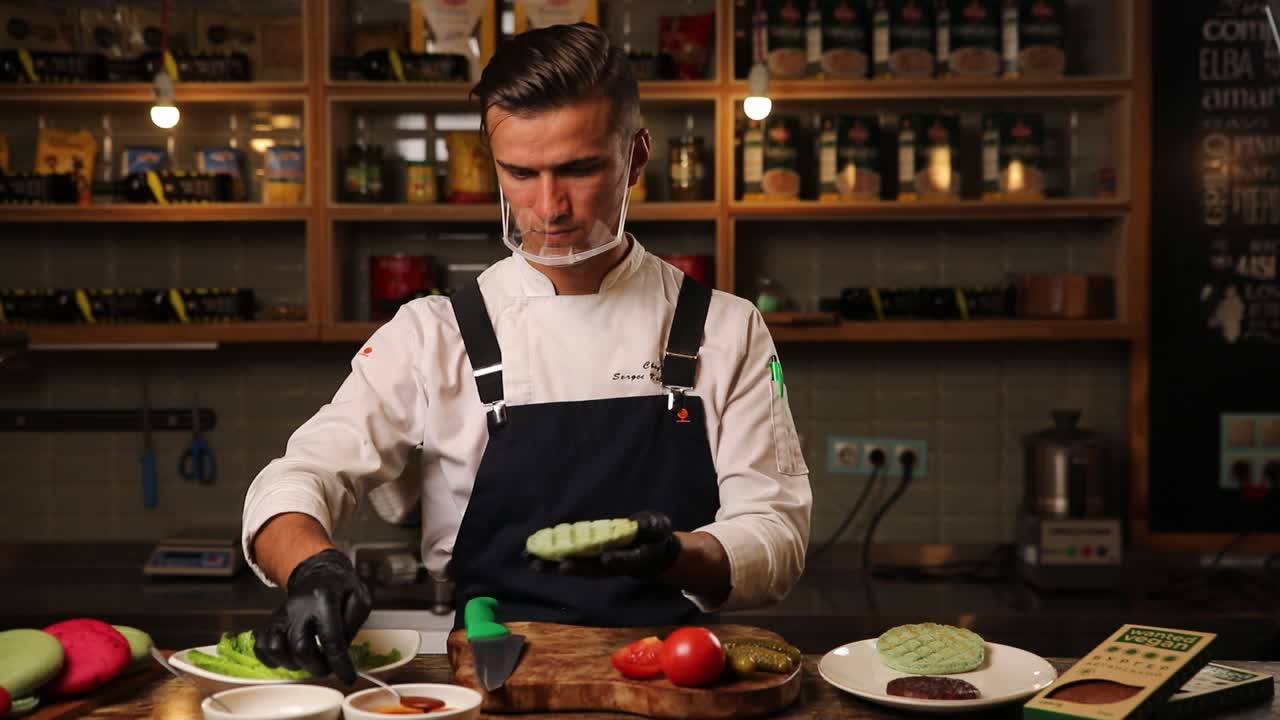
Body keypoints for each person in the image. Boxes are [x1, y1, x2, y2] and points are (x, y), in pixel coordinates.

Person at [240, 22, 812, 685]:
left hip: (676, 681)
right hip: (488, 678)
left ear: (636, 156)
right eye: (521, 173)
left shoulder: (725, 328)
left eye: (579, 168)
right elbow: (301, 474)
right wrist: (312, 565)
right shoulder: (435, 334)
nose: (549, 207)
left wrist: (675, 554)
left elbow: (776, 533)